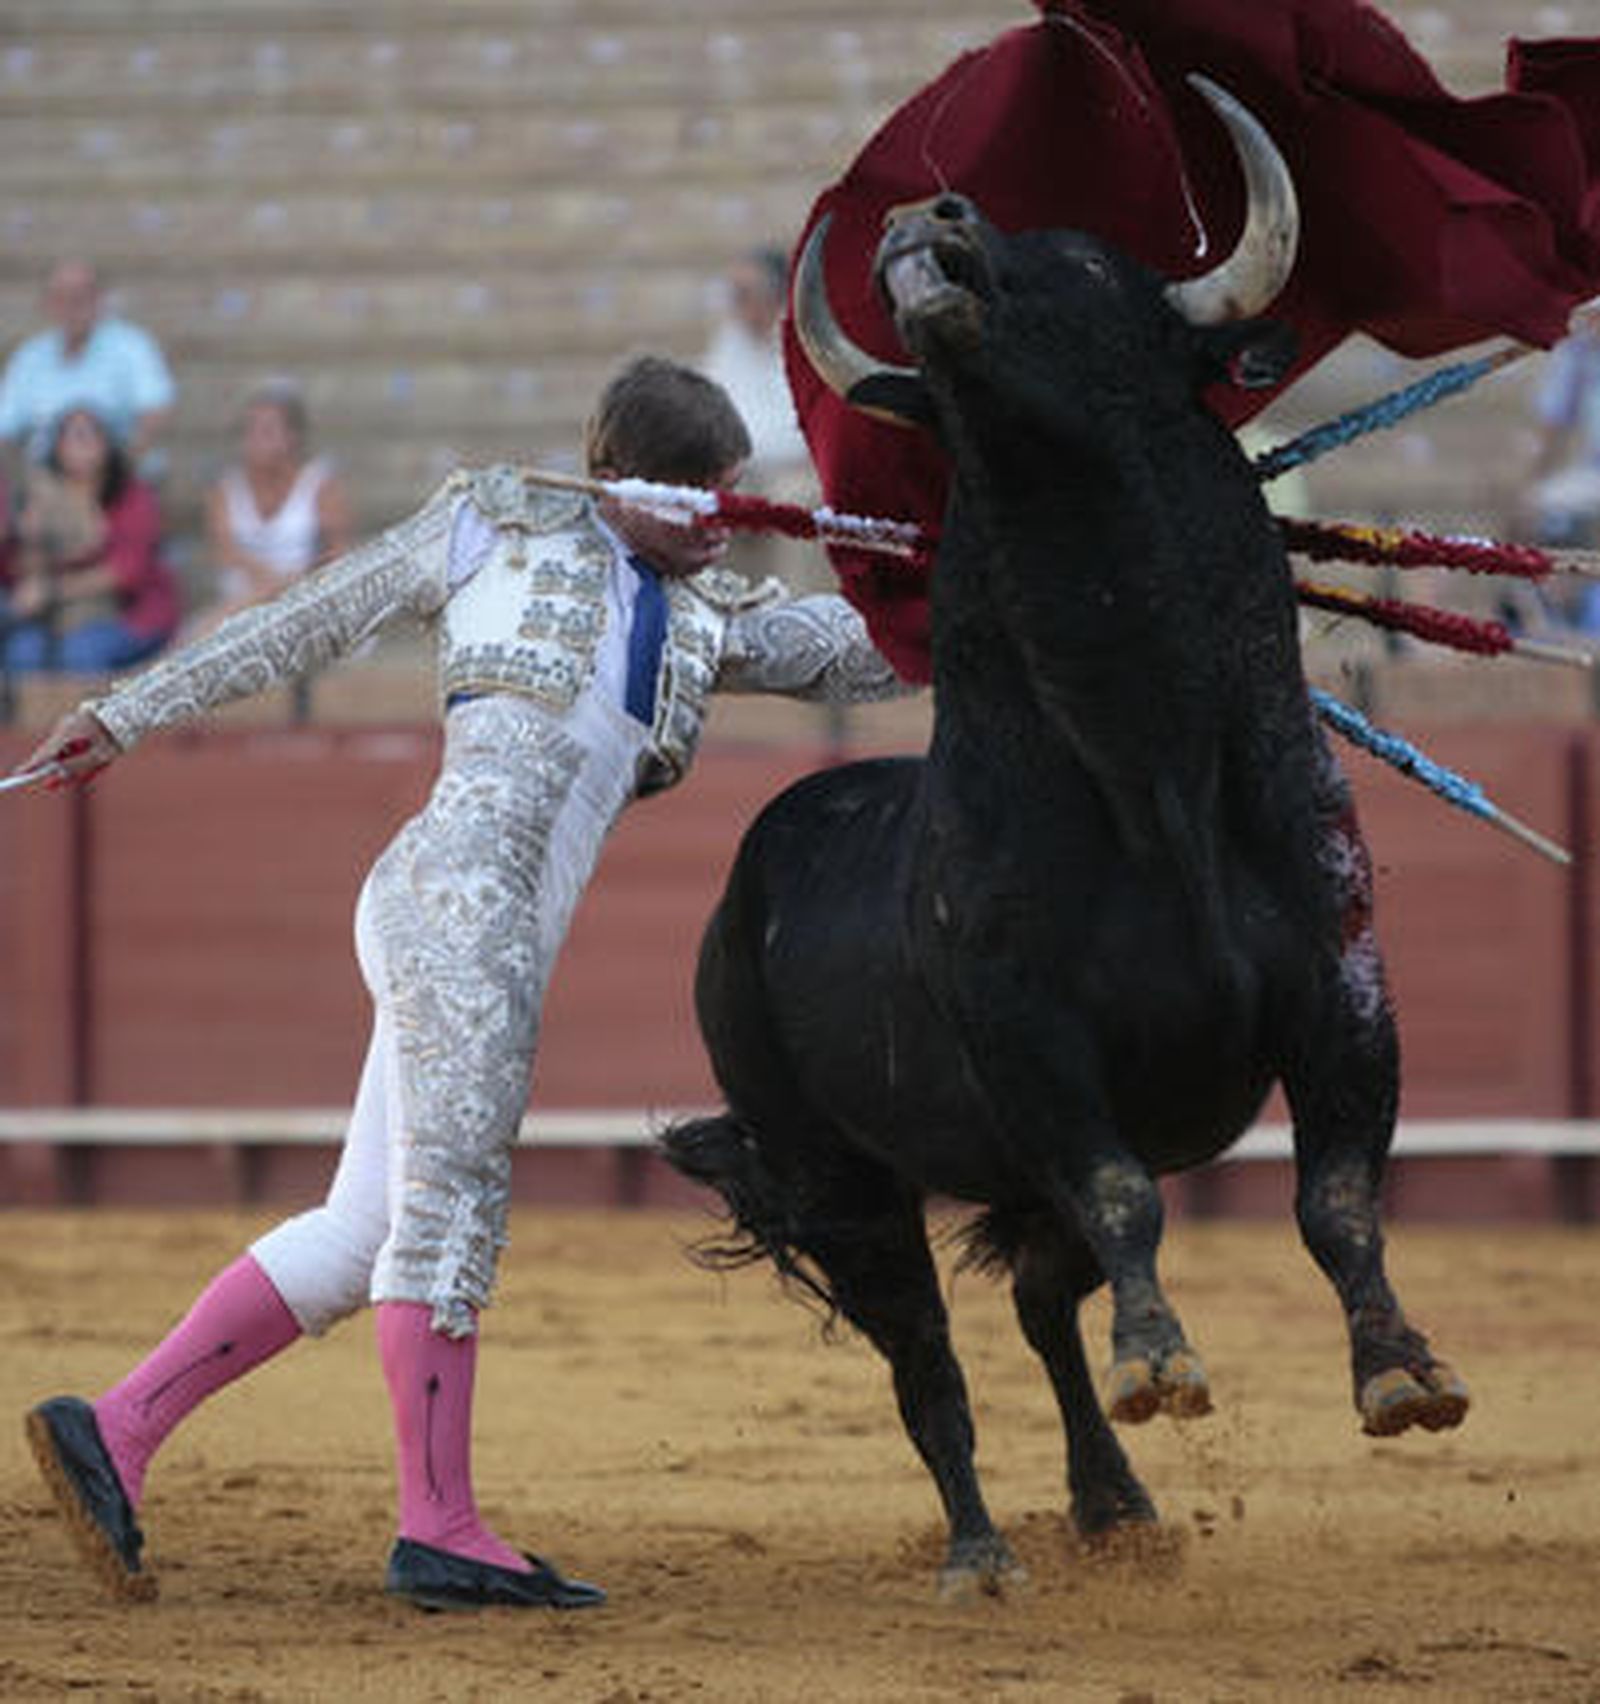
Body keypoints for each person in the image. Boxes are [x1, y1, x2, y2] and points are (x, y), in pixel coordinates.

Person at [19, 354, 904, 1613]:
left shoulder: (711, 621)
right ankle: (437, 1526)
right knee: (450, 1212)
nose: (723, 519)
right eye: (704, 495)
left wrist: (987, 580)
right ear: (628, 480)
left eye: (735, 496)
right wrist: (127, 709)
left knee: (361, 1232)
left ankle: (114, 1428)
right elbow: (311, 615)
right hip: (460, 910)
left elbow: (864, 656)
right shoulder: (490, 524)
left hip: (480, 927)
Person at [2, 405, 180, 673]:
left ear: (107, 444)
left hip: (123, 613)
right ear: (57, 447)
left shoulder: (132, 495)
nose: (81, 445)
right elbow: (16, 569)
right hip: (46, 617)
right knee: (23, 652)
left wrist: (52, 590)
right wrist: (28, 536)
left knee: (81, 653)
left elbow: (127, 570)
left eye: (89, 435)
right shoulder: (38, 492)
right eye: (72, 436)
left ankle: (88, 716)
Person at [700, 246, 832, 595]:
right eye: (733, 294)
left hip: (803, 470)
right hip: (745, 468)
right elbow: (712, 413)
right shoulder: (731, 341)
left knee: (792, 500)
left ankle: (797, 619)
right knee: (698, 503)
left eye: (744, 294)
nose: (735, 304)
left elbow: (806, 431)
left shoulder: (806, 339)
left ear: (774, 298)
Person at [196, 379, 353, 631]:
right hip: (243, 602)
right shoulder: (224, 488)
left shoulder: (320, 485)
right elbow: (224, 553)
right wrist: (273, 586)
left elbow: (337, 552)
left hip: (303, 600)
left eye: (267, 431)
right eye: (249, 430)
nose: (254, 440)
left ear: (293, 437)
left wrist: (294, 585)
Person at [0, 260, 176, 479]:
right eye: (62, 296)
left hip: (121, 476)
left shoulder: (132, 346)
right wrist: (31, 481)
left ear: (100, 300)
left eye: (82, 294)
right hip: (45, 481)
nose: (73, 303)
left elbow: (156, 411)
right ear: (47, 304)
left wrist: (113, 471)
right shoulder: (29, 356)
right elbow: (5, 429)